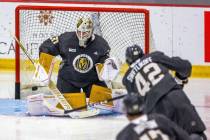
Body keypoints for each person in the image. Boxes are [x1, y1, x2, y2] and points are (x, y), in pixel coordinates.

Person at [122, 45, 206, 140]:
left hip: (155, 111)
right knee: (195, 134)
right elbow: (185, 66)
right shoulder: (154, 56)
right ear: (142, 54)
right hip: (175, 96)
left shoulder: (127, 80)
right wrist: (181, 78)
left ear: (128, 62)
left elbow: (137, 105)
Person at [39, 17, 111, 98]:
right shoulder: (66, 39)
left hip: (92, 80)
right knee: (68, 107)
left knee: (104, 103)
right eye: (79, 32)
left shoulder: (101, 44)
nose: (81, 35)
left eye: (85, 33)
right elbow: (46, 47)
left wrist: (108, 69)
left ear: (91, 31)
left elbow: (104, 63)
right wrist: (44, 69)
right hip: (68, 79)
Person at [116, 94, 192, 140]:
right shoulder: (159, 119)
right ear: (143, 107)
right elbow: (184, 137)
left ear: (126, 113)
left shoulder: (124, 135)